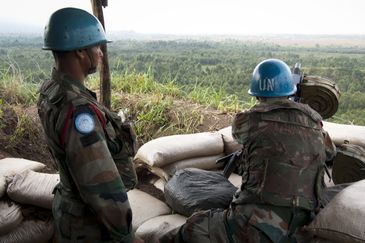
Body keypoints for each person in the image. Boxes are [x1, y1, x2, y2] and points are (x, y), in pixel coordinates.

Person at [160, 58, 336, 243]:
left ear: (257, 94)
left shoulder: (249, 121)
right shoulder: (314, 121)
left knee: (195, 226)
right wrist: (298, 111)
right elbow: (330, 153)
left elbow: (239, 135)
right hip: (304, 226)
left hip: (256, 226)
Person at [37, 7, 142, 242]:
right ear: (80, 52)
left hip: (71, 212)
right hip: (88, 224)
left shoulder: (52, 90)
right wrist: (127, 235)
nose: (101, 53)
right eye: (97, 47)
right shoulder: (78, 112)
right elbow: (101, 187)